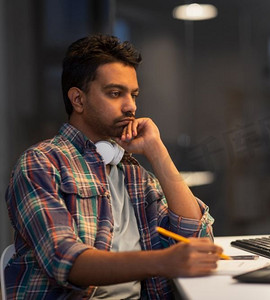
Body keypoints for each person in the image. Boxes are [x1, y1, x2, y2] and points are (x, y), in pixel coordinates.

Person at [4, 34, 222, 299]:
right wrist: (162, 260)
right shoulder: (40, 163)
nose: (131, 105)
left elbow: (196, 237)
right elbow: (66, 261)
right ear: (78, 100)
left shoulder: (132, 173)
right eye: (115, 93)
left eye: (134, 94)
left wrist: (157, 151)